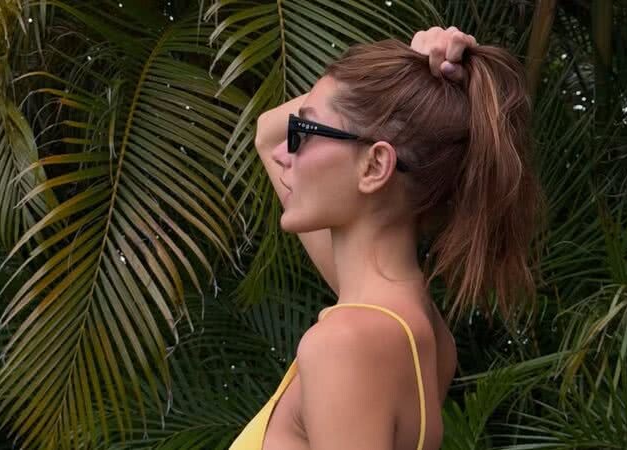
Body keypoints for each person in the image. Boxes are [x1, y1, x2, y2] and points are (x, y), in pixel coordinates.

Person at [230, 26, 542, 450]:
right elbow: (268, 132)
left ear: (375, 166)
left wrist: (401, 82)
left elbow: (270, 136)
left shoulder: (348, 343)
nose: (286, 152)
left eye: (306, 130)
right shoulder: (417, 329)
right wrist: (411, 75)